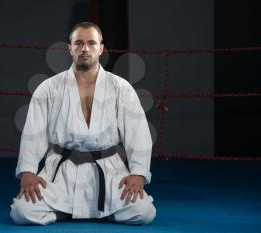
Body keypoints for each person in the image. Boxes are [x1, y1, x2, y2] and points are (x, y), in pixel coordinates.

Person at [10, 22, 156, 225]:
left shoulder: (121, 88)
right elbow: (34, 134)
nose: (85, 49)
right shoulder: (49, 88)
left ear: (101, 48)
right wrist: (27, 172)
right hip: (61, 170)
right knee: (21, 211)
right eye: (78, 43)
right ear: (69, 48)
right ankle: (82, 209)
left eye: (91, 43)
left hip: (108, 170)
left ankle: (66, 210)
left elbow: (138, 134)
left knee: (143, 212)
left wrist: (138, 174)